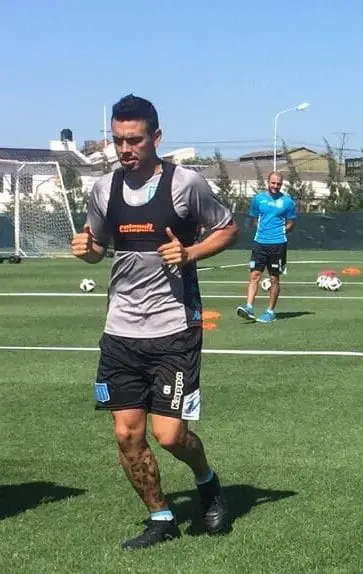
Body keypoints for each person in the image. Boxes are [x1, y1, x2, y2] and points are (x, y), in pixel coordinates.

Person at [71, 94, 238, 550]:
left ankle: (206, 480)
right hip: (121, 329)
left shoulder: (186, 184)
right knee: (127, 434)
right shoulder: (102, 189)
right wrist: (89, 252)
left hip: (174, 327)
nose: (125, 149)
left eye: (135, 140)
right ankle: (160, 516)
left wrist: (190, 253)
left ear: (156, 138)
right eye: (118, 140)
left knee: (170, 435)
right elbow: (98, 244)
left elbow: (227, 228)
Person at [236, 171, 297, 323]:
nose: (275, 186)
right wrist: (261, 230)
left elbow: (291, 222)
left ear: (281, 184)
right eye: (273, 183)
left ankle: (270, 312)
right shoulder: (258, 199)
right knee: (254, 275)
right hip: (259, 243)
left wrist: (283, 230)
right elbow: (255, 218)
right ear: (268, 182)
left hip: (278, 245)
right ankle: (249, 307)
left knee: (274, 279)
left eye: (278, 184)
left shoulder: (288, 202)